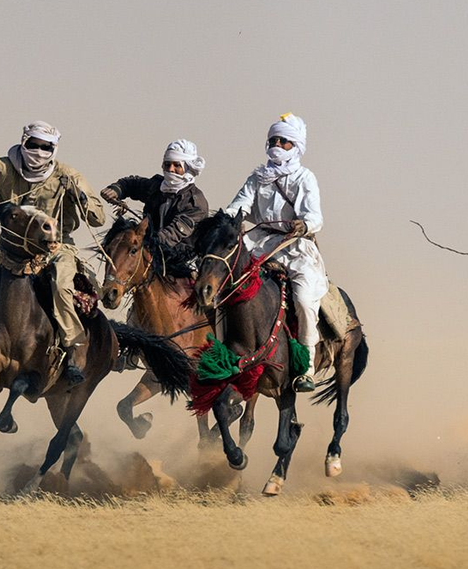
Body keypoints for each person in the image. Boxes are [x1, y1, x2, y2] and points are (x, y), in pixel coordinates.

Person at [0, 120, 105, 383]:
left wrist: (79, 196)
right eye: (34, 144)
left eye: (46, 147)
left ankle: (73, 346)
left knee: (62, 285)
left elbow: (98, 218)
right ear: (23, 141)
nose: (39, 152)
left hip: (55, 246)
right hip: (11, 246)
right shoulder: (1, 168)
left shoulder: (68, 175)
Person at [225, 113, 326, 393]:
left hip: (294, 246)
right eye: (274, 140)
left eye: (284, 141)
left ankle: (306, 367)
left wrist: (303, 224)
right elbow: (239, 206)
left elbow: (316, 217)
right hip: (258, 244)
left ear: (296, 146)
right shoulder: (258, 177)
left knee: (305, 300)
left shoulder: (305, 177)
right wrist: (224, 220)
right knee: (222, 282)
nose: (277, 145)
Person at [100, 138, 210, 273]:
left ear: (187, 168)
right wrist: (116, 189)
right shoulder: (156, 187)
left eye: (177, 165)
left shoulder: (196, 203)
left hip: (181, 262)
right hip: (150, 252)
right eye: (167, 164)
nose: (171, 170)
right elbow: (131, 184)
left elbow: (171, 235)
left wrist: (144, 241)